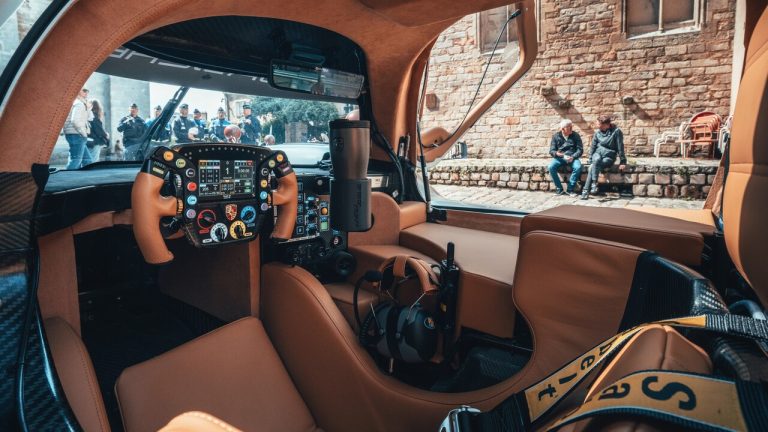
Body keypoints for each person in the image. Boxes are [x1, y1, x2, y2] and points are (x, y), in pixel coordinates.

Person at [581, 115, 627, 200]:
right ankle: (594, 184)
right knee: (596, 160)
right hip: (597, 154)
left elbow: (620, 147)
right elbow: (593, 146)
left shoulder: (616, 132)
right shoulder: (597, 133)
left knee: (592, 167)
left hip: (608, 157)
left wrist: (623, 161)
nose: (597, 126)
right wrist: (590, 158)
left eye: (599, 124)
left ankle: (586, 190)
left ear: (606, 125)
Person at [547, 119, 583, 196]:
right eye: (569, 127)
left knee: (578, 167)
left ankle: (570, 189)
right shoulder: (556, 136)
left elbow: (580, 150)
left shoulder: (576, 135)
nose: (571, 128)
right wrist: (557, 153)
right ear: (563, 129)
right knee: (551, 167)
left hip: (572, 157)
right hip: (560, 158)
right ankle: (559, 189)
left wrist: (573, 157)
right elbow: (552, 151)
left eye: (571, 126)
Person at [63, 87, 92, 169]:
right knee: (75, 161)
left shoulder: (77, 103)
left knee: (87, 161)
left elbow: (87, 118)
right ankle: (67, 176)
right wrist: (83, 133)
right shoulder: (79, 104)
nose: (87, 93)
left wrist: (88, 108)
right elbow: (75, 121)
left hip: (75, 134)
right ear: (78, 91)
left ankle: (83, 177)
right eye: (84, 90)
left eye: (87, 91)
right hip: (77, 134)